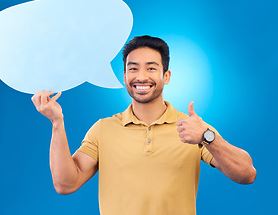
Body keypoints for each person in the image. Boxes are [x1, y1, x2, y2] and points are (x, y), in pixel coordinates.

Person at [31, 35, 256, 215]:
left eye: (151, 68)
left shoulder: (192, 128)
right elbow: (65, 185)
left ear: (165, 76)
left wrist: (208, 136)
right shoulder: (103, 129)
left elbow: (247, 174)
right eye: (133, 68)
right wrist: (57, 123)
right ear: (124, 76)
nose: (141, 76)